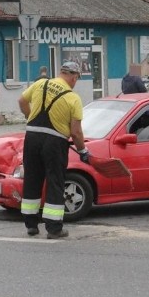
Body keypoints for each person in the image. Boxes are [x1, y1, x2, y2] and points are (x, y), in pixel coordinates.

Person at [18, 61, 87, 239]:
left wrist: (29, 116)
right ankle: (54, 228)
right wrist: (83, 151)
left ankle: (31, 225)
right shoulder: (73, 98)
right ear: (73, 76)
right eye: (76, 78)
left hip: (32, 137)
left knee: (32, 179)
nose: (75, 81)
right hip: (54, 142)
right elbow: (76, 132)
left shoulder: (41, 83)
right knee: (55, 182)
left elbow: (22, 101)